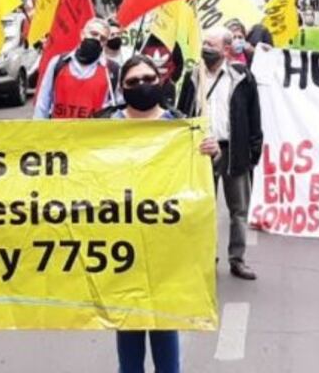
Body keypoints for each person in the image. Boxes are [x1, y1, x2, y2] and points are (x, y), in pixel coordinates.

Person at [112, 55, 219, 373]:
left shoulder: (180, 124)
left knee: (164, 318)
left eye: (148, 78)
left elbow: (197, 178)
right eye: (133, 82)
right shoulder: (102, 125)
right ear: (121, 88)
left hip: (167, 242)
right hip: (121, 241)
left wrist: (211, 152)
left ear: (160, 81)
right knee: (128, 320)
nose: (142, 86)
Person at [178, 27, 262, 280]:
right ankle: (206, 256)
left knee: (239, 210)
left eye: (211, 45)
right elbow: (182, 114)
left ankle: (237, 259)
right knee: (204, 208)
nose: (206, 49)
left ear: (226, 49)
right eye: (204, 44)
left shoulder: (242, 77)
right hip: (202, 152)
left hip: (233, 150)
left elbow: (253, 116)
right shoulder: (193, 77)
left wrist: (253, 152)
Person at [34, 18, 116, 119]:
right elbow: (42, 105)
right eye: (93, 34)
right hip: (59, 133)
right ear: (82, 34)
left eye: (102, 38)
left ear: (105, 43)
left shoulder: (112, 71)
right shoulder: (58, 63)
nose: (97, 39)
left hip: (92, 134)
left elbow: (118, 111)